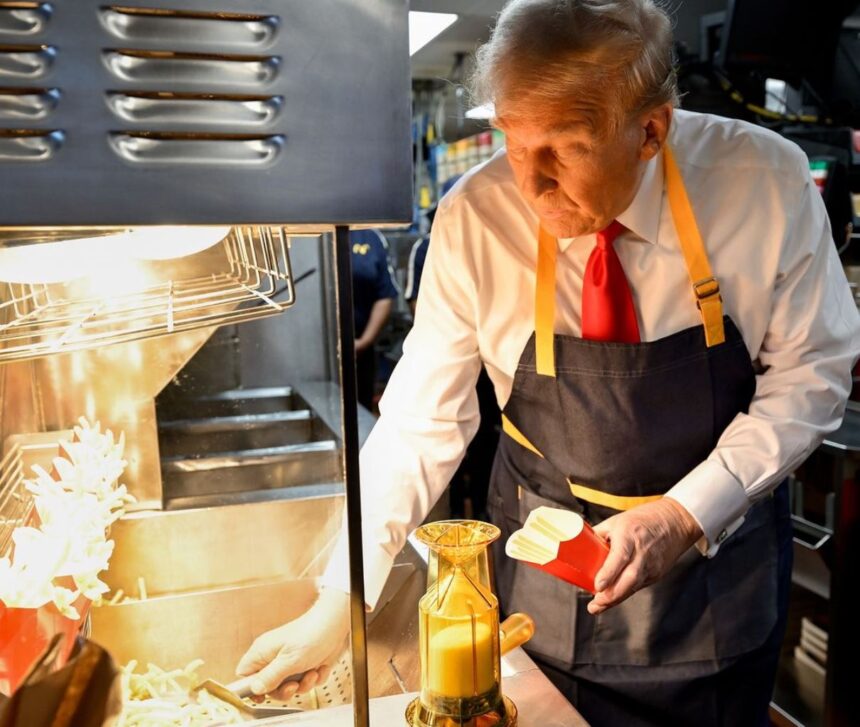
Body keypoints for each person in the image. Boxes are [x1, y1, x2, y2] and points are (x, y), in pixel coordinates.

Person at [236, 2, 860, 724]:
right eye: (510, 140)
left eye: (563, 148)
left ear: (650, 130)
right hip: (547, 599)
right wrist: (343, 597)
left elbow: (811, 377)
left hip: (716, 588)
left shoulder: (763, 183)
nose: (528, 186)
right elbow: (418, 423)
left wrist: (685, 515)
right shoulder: (475, 218)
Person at [348, 228, 398, 411]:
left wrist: (365, 341)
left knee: (361, 412)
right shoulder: (309, 231)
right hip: (313, 354)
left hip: (361, 351)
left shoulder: (370, 237)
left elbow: (385, 294)